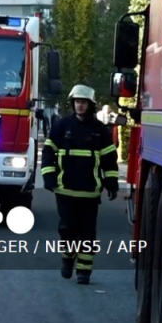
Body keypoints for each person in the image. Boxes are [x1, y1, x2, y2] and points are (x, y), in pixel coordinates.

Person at [40, 84, 119, 285]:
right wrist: (48, 176)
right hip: (64, 189)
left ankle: (84, 272)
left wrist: (111, 183)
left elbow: (109, 159)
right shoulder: (62, 126)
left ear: (90, 105)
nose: (80, 105)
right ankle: (68, 258)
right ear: (73, 103)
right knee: (67, 228)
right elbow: (48, 152)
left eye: (83, 102)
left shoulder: (100, 131)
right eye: (77, 102)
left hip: (89, 192)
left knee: (87, 232)